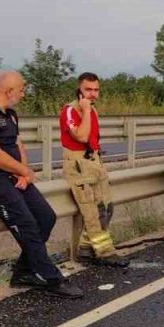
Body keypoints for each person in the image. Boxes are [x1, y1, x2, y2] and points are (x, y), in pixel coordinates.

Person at [0, 70, 84, 299]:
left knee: (46, 217)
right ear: (8, 91)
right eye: (21, 90)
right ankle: (52, 278)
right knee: (26, 224)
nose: (23, 94)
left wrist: (24, 172)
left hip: (12, 175)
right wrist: (22, 170)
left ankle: (23, 272)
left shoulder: (10, 113)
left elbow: (17, 144)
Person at [60, 73, 130, 267]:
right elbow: (81, 137)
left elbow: (93, 140)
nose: (92, 94)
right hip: (78, 164)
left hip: (94, 162)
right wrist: (85, 110)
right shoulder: (70, 110)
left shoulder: (92, 110)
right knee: (92, 212)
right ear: (79, 90)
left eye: (95, 90)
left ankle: (85, 249)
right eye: (87, 90)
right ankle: (105, 252)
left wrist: (89, 111)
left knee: (106, 208)